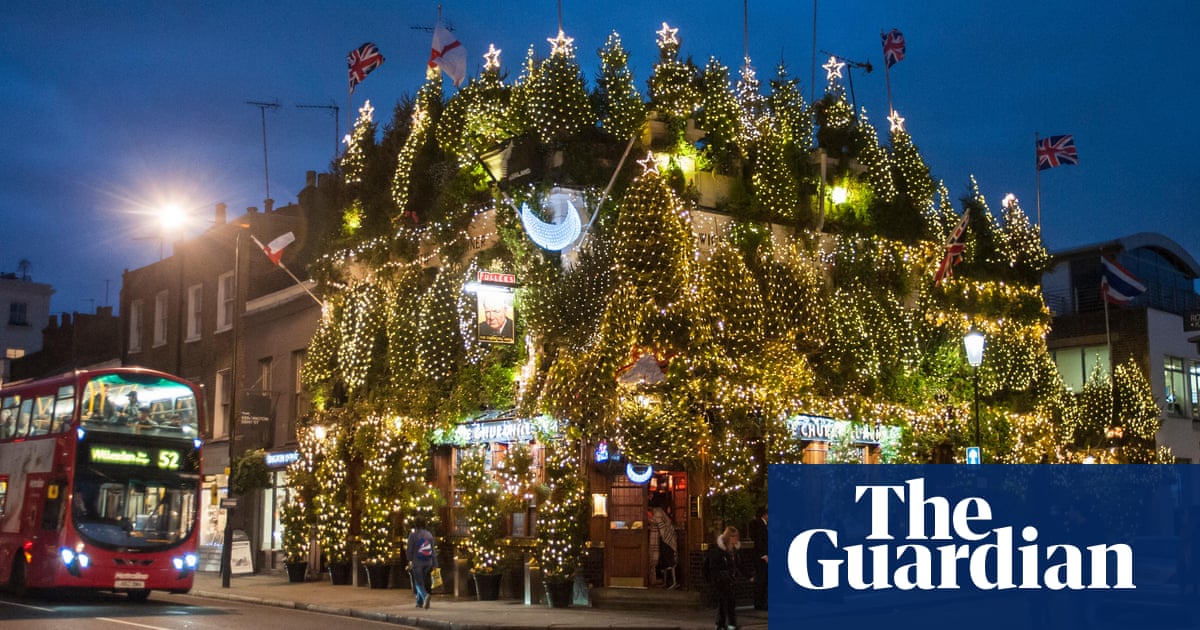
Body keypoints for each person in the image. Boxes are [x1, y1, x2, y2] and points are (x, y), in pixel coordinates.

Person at [704, 526, 741, 630]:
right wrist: (717, 577)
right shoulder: (718, 550)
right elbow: (713, 566)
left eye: (736, 536)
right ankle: (731, 624)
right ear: (728, 537)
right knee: (730, 601)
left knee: (723, 601)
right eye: (733, 536)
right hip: (720, 580)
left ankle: (720, 624)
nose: (735, 538)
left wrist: (749, 575)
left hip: (730, 579)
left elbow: (739, 565)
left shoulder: (734, 550)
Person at [406, 518, 438, 609]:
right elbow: (433, 550)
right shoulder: (429, 535)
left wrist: (409, 559)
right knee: (421, 581)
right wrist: (435, 564)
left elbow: (409, 549)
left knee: (418, 583)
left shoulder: (413, 535)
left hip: (417, 562)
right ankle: (419, 602)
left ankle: (425, 596)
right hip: (428, 562)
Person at [748, 506, 768, 611]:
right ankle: (760, 602)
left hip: (761, 556)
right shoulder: (759, 525)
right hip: (761, 557)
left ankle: (761, 602)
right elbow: (760, 541)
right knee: (762, 580)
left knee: (763, 580)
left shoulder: (761, 524)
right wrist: (764, 555)